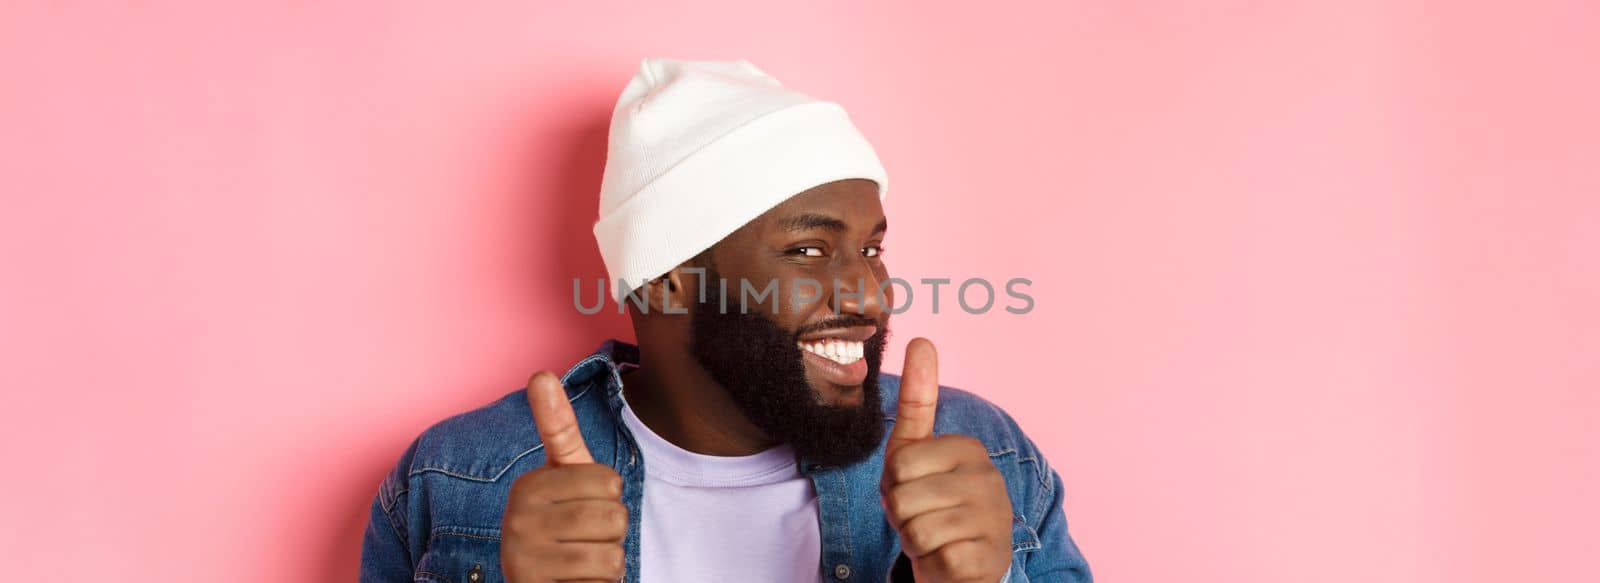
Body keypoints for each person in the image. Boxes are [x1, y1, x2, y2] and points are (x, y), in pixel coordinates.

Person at [360, 58, 1092, 583]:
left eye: (871, 248)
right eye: (808, 249)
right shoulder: (459, 480)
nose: (871, 295)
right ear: (671, 283)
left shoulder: (984, 458)